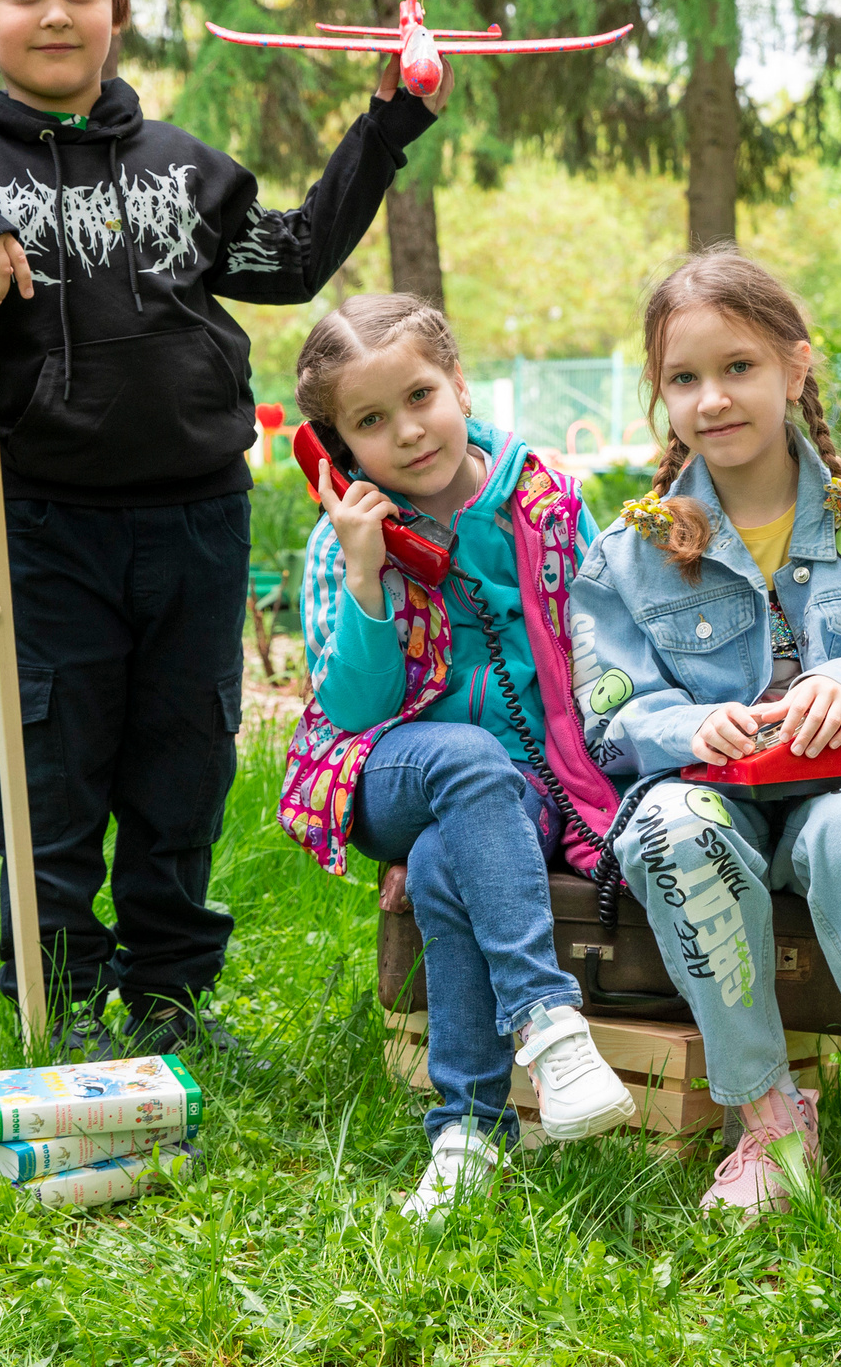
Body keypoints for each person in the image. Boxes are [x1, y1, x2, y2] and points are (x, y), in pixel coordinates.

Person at [0, 0, 448, 1058]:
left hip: (195, 522)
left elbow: (290, 259)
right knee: (48, 778)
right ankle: (61, 1005)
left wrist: (386, 120)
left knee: (180, 774)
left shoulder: (183, 167)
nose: (55, 15)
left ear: (117, 9)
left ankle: (170, 1000)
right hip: (40, 529)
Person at [570, 248, 841, 1263]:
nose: (712, 398)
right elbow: (610, 704)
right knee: (666, 825)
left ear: (796, 368)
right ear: (660, 394)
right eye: (683, 378)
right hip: (715, 797)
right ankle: (767, 1121)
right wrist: (681, 727)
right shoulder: (635, 546)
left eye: (738, 367)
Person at [282, 294, 634, 1219]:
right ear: (337, 447)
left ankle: (471, 1130)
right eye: (369, 421)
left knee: (449, 860)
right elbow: (355, 711)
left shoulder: (544, 500)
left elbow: (603, 643)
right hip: (386, 768)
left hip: (527, 782)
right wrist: (368, 570)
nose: (407, 431)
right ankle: (551, 1025)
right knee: (465, 760)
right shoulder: (344, 539)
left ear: (460, 385)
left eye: (420, 396)